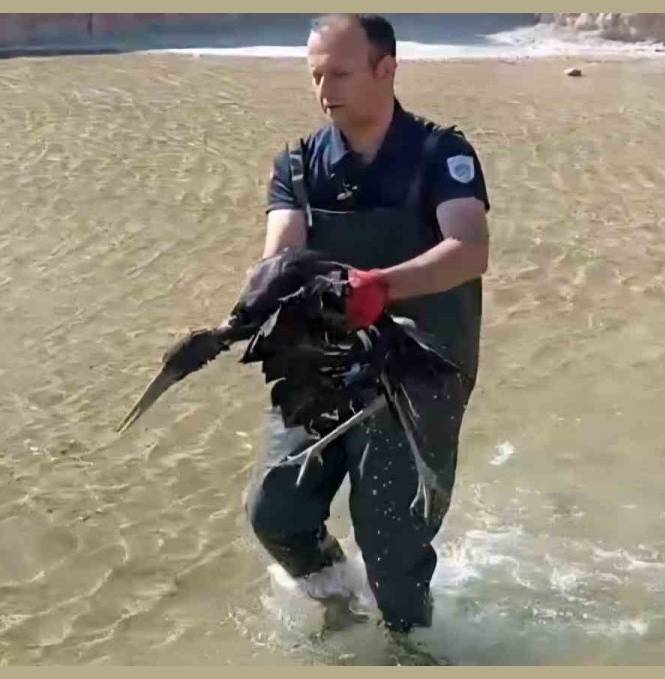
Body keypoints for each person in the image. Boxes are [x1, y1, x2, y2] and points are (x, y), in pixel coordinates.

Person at [242, 13, 491, 636]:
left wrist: (381, 286)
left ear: (387, 69)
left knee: (391, 543)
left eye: (340, 74)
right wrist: (262, 285)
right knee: (275, 510)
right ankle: (339, 602)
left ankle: (410, 644)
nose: (325, 90)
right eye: (316, 76)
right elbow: (282, 248)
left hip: (419, 366)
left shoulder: (442, 154)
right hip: (322, 365)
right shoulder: (298, 165)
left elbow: (469, 247)